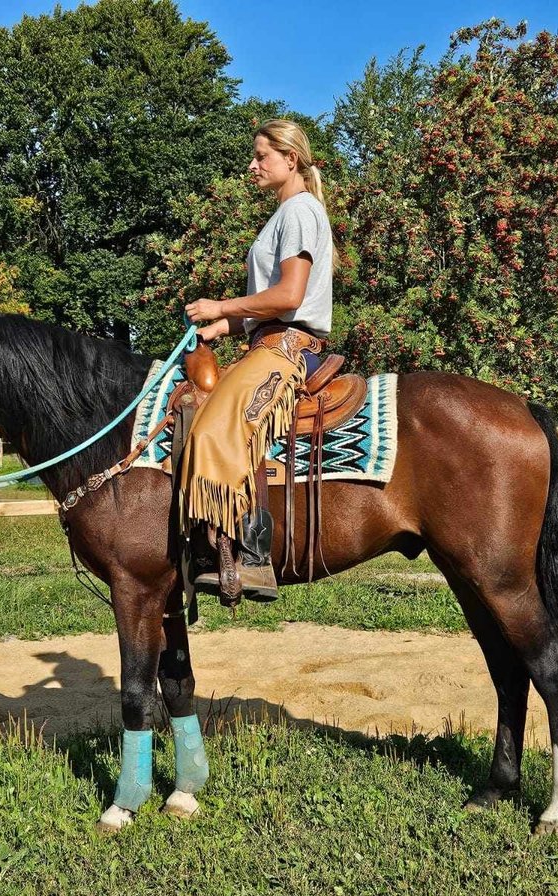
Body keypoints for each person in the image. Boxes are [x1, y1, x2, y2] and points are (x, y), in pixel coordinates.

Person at [180, 119, 335, 600]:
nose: (252, 165)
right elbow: (268, 304)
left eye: (261, 156)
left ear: (291, 159)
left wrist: (222, 307)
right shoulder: (284, 215)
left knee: (213, 428)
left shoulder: (299, 212)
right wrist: (222, 327)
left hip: (286, 351)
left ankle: (251, 556)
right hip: (265, 340)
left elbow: (290, 295)